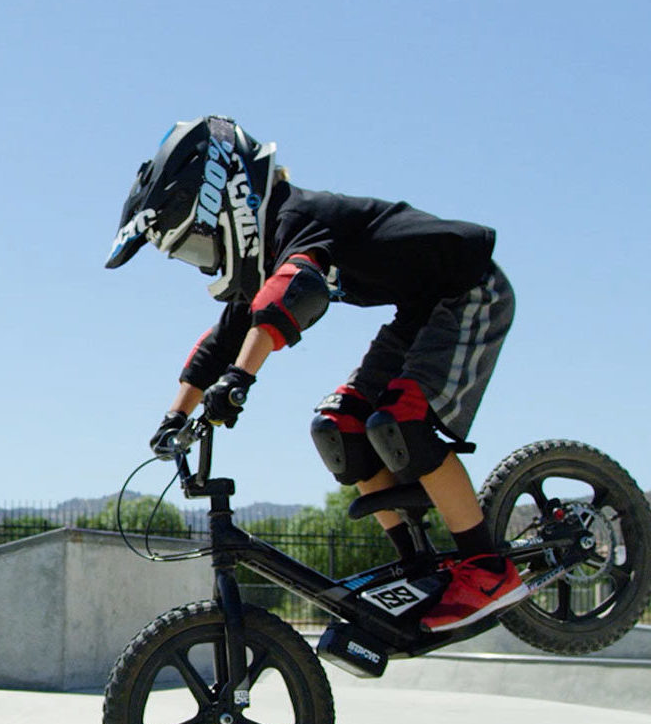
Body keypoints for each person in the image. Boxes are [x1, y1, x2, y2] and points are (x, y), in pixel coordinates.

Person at [105, 116, 526, 631]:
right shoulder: (264, 258)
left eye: (197, 246)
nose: (204, 264)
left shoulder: (295, 216)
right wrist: (175, 417)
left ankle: (486, 567)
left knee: (403, 418)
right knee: (339, 426)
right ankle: (417, 561)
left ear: (228, 203)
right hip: (420, 309)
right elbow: (222, 341)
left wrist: (241, 380)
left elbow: (295, 292)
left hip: (469, 290)